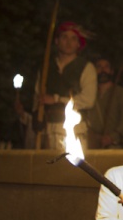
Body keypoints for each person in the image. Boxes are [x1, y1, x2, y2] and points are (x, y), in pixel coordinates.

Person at [34, 21, 97, 151]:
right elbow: (38, 97)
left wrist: (57, 99)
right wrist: (36, 119)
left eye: (73, 38)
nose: (68, 42)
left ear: (78, 44)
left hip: (76, 128)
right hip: (49, 128)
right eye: (64, 37)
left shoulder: (86, 67)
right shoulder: (47, 67)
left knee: (72, 169)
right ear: (57, 41)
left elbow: (88, 100)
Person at [85, 57, 123, 149]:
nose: (103, 70)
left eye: (106, 67)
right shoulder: (88, 94)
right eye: (99, 67)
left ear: (111, 71)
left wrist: (112, 137)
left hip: (114, 145)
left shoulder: (121, 93)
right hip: (91, 145)